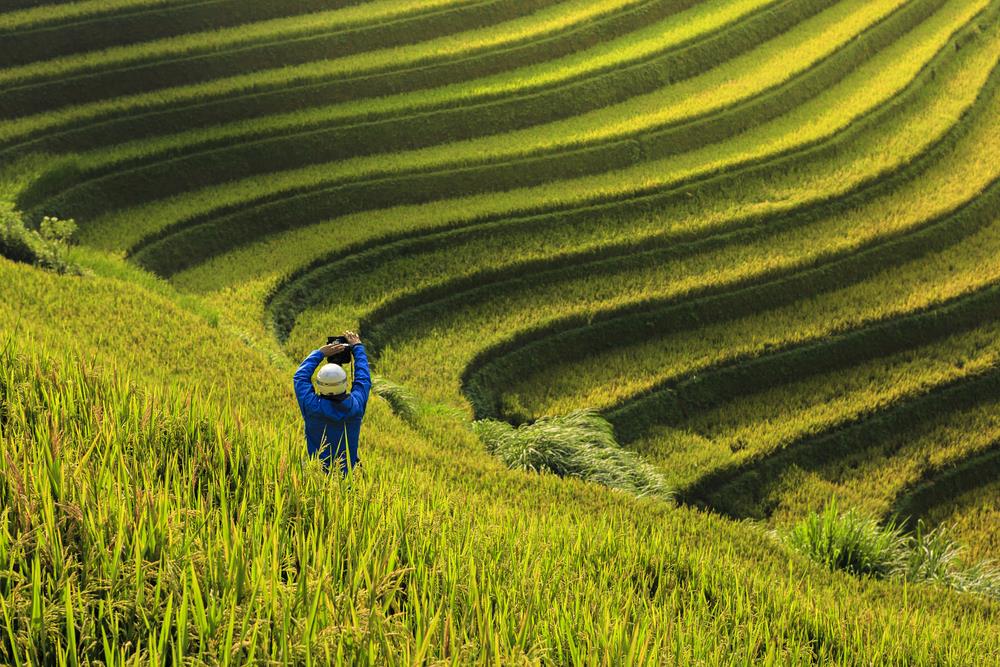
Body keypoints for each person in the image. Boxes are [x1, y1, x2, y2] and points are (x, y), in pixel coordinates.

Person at [293, 331, 372, 475]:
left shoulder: (312, 406)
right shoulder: (356, 406)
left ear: (319, 384)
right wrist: (357, 347)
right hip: (347, 479)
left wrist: (320, 353)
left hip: (315, 477)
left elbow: (300, 377)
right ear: (344, 383)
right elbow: (363, 379)